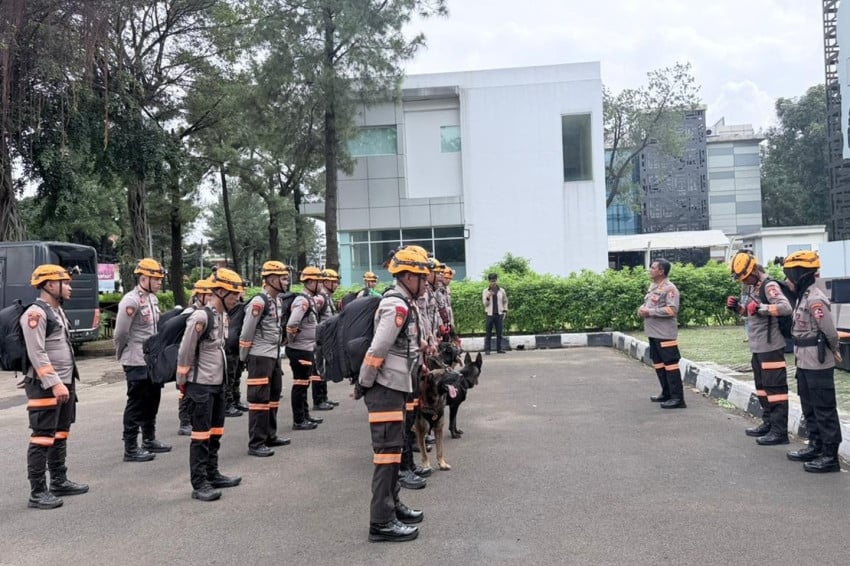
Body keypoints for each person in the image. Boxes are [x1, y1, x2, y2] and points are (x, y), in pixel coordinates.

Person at [358, 246, 429, 543]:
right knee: (387, 458)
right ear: (409, 276)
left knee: (395, 452)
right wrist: (364, 383)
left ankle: (393, 506)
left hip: (395, 386)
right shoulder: (396, 306)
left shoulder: (405, 302)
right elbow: (377, 350)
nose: (426, 282)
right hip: (385, 388)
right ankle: (381, 522)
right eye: (422, 277)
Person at [20, 265, 89, 509]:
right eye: (66, 283)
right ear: (50, 285)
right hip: (46, 385)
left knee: (60, 432)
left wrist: (65, 382)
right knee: (42, 437)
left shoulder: (56, 311)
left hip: (64, 382)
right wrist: (55, 383)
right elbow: (37, 353)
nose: (70, 287)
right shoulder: (36, 314)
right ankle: (38, 492)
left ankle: (59, 480)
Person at [177, 267, 244, 501]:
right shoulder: (200, 317)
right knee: (200, 436)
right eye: (232, 293)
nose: (237, 298)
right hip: (200, 386)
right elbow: (185, 351)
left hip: (217, 384)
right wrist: (182, 381)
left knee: (216, 432)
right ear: (219, 292)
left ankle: (212, 473)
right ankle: (199, 483)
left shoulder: (222, 316)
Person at [783, 251, 843, 473]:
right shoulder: (803, 295)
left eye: (790, 274)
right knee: (809, 407)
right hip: (804, 361)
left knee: (824, 408)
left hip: (818, 362)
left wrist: (835, 349)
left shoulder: (815, 298)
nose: (787, 279)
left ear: (800, 274)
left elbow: (829, 330)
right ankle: (816, 445)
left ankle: (830, 456)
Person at [727, 251, 793, 444]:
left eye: (745, 276)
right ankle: (768, 423)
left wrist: (762, 308)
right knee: (762, 388)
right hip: (757, 346)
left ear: (754, 270)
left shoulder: (769, 286)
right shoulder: (748, 287)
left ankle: (780, 432)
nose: (743, 280)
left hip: (771, 346)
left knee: (776, 390)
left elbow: (785, 308)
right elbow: (748, 312)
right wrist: (736, 308)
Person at [114, 257, 169, 462]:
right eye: (156, 279)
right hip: (135, 359)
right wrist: (121, 353)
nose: (159, 282)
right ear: (143, 278)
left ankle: (149, 439)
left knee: (152, 400)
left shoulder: (152, 299)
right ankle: (130, 447)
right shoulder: (131, 300)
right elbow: (120, 333)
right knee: (136, 403)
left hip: (152, 360)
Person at [239, 260, 292, 456]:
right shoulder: (258, 302)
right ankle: (256, 443)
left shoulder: (277, 300)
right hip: (259, 357)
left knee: (273, 395)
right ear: (271, 279)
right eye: (283, 279)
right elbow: (246, 332)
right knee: (259, 399)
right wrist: (245, 358)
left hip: (273, 355)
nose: (287, 282)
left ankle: (270, 435)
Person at [638, 258, 685, 409]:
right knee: (659, 365)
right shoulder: (654, 287)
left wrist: (649, 311)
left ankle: (678, 398)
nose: (650, 270)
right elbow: (650, 304)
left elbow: (672, 310)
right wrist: (642, 309)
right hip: (653, 333)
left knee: (670, 366)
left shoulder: (669, 289)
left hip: (665, 334)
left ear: (661, 271)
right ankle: (666, 393)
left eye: (653, 268)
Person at [286, 266, 325, 430]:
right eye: (319, 282)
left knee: (305, 383)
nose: (322, 285)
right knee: (300, 385)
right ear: (310, 282)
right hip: (300, 349)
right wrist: (293, 341)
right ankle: (299, 420)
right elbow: (292, 324)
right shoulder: (302, 301)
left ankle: (305, 415)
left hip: (306, 348)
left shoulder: (308, 299)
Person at [178, 278, 215, 435]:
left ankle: (190, 420)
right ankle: (184, 422)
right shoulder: (190, 313)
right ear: (200, 295)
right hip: (187, 356)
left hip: (200, 359)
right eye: (208, 295)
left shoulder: (208, 313)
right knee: (184, 391)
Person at [313, 268, 341, 411]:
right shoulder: (320, 298)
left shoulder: (327, 297)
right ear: (325, 282)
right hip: (319, 340)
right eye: (333, 282)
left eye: (336, 282)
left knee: (323, 369)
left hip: (326, 340)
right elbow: (312, 318)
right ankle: (318, 400)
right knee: (318, 370)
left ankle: (324, 397)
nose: (336, 285)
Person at [482, 273, 508, 354]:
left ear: (496, 280)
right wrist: (488, 296)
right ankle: (487, 349)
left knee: (499, 332)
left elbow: (505, 301)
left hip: (499, 313)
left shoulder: (501, 290)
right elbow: (485, 304)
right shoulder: (486, 291)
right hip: (489, 314)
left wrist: (505, 311)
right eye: (491, 281)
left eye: (494, 281)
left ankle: (499, 349)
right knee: (488, 333)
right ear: (489, 281)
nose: (493, 283)